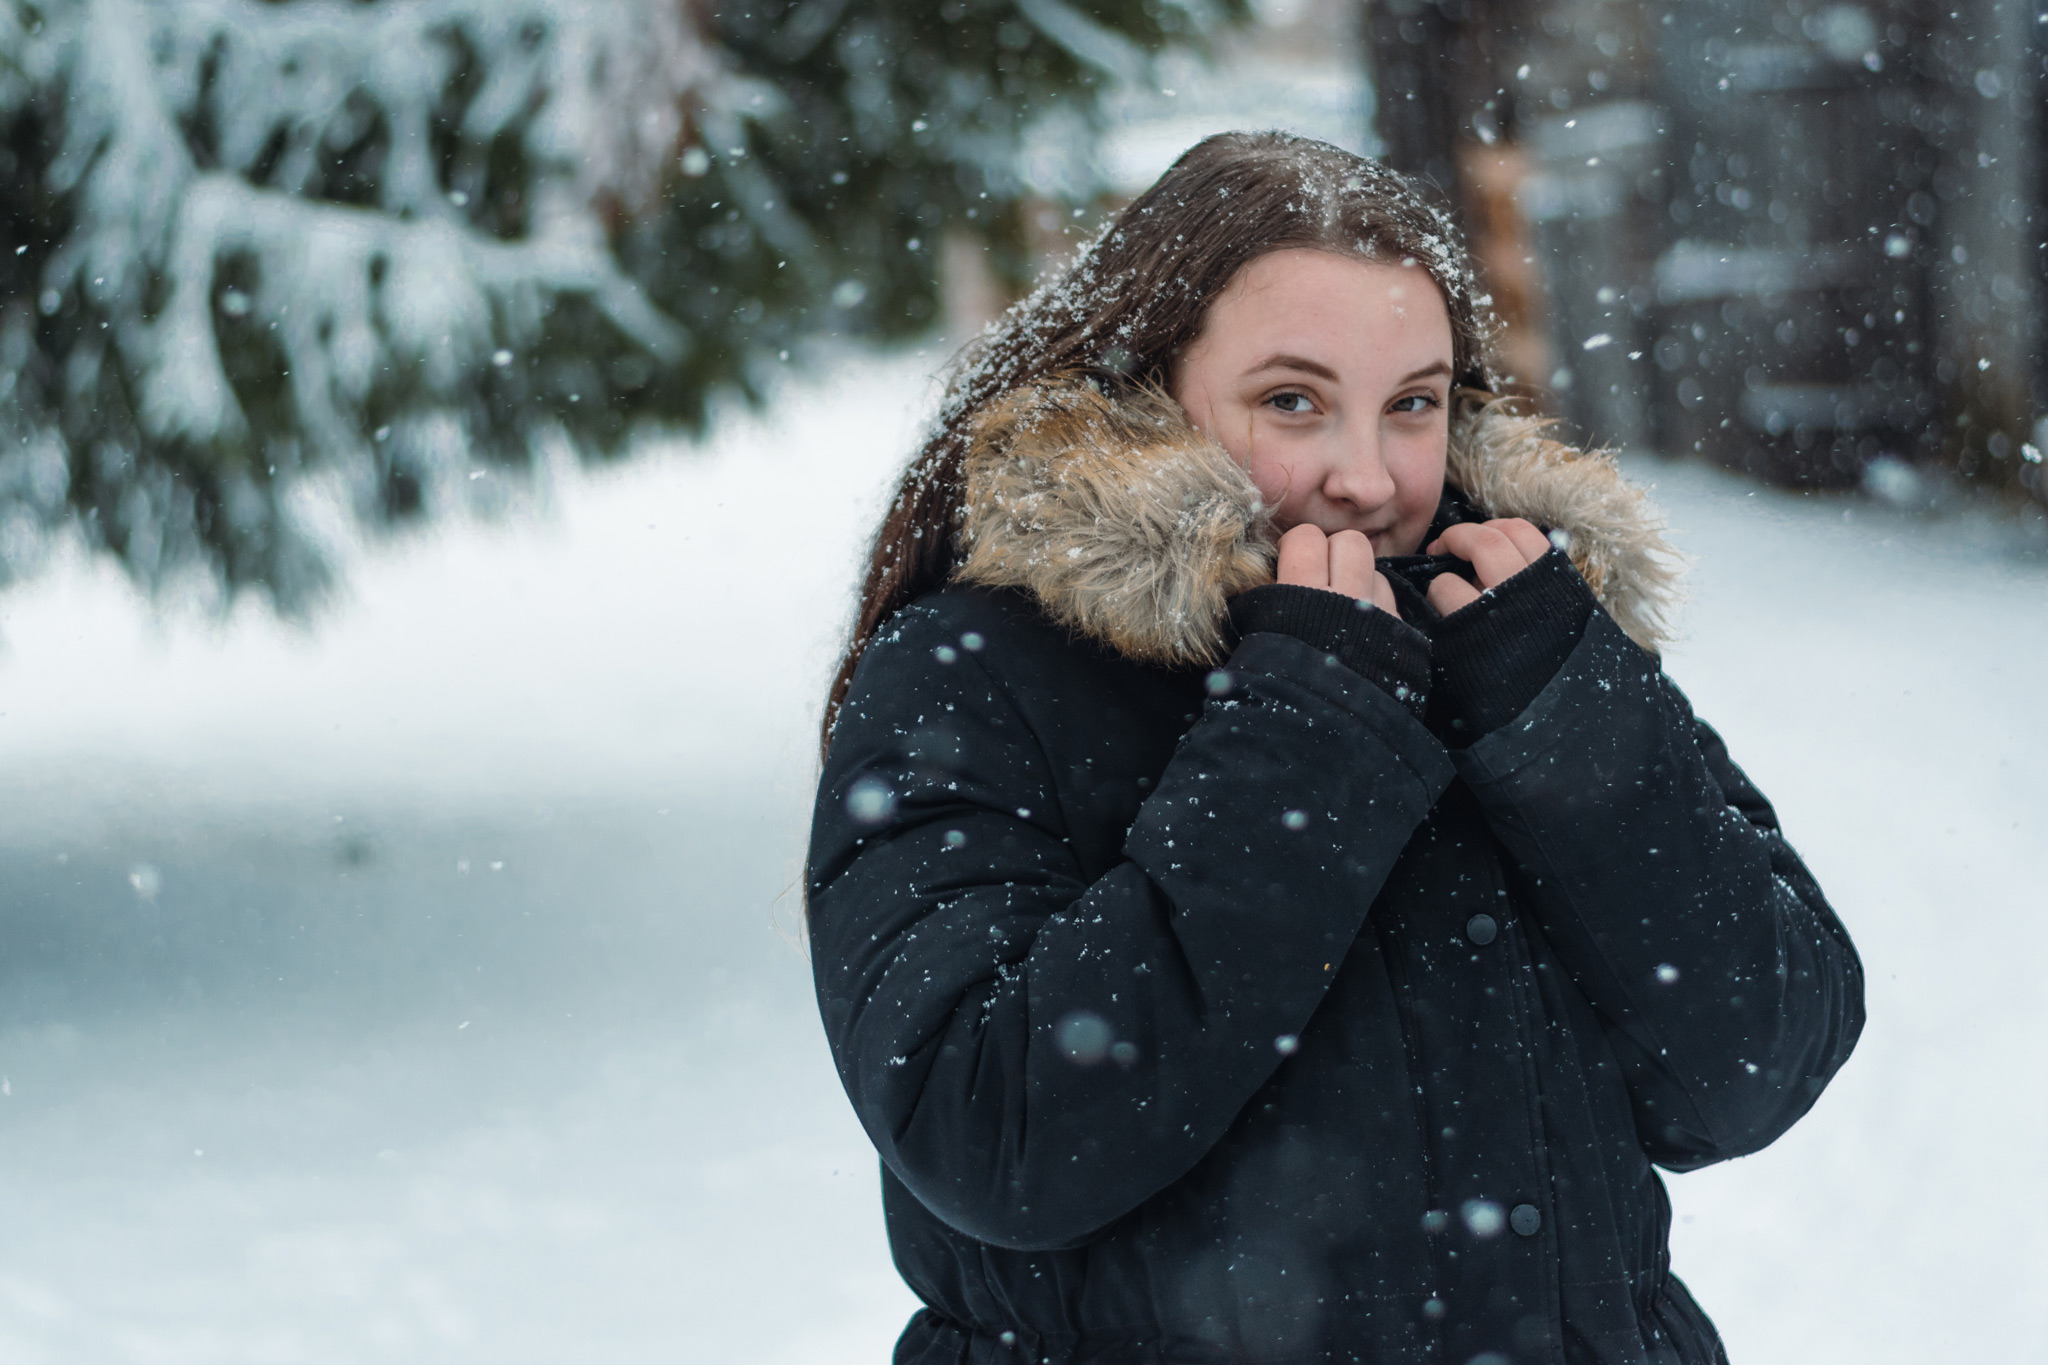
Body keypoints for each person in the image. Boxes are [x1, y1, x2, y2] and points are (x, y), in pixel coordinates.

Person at [806, 131, 1863, 1365]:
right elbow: (991, 1136)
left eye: (1410, 405)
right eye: (1291, 402)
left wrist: (1567, 720)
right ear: (1142, 399)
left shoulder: (1507, 639)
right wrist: (1304, 731)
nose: (1365, 479)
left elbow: (1757, 1062)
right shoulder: (982, 667)